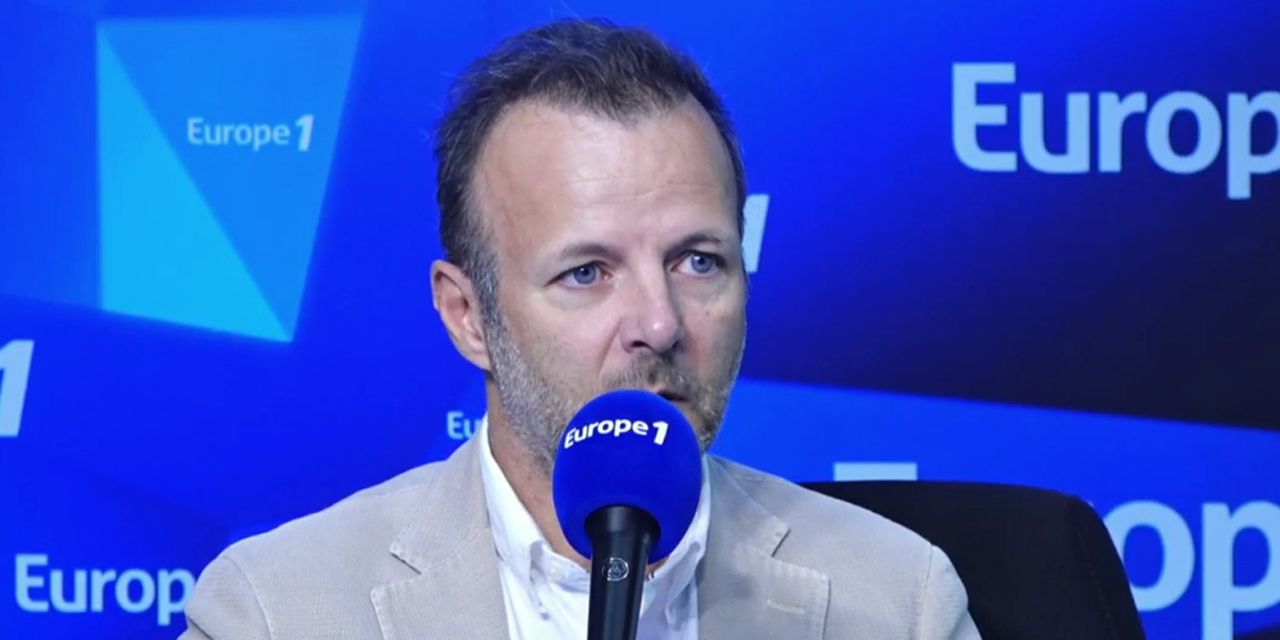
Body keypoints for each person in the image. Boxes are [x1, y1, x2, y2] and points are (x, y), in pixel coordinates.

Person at [180, 18, 981, 639]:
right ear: (468, 317)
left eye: (698, 261)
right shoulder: (275, 612)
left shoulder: (898, 600)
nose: (659, 323)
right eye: (588, 273)